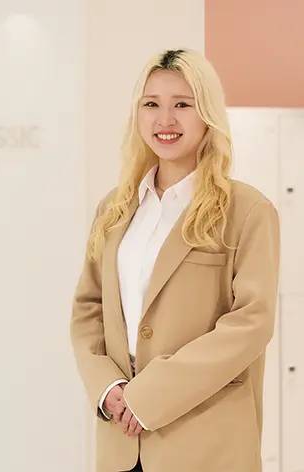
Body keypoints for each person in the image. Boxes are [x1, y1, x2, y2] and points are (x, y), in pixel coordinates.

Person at [70, 48, 280, 472]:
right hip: (120, 446)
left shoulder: (248, 210)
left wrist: (150, 396)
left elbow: (251, 323)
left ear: (207, 114)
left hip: (207, 445)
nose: (165, 120)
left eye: (182, 105)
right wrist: (106, 385)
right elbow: (88, 309)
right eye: (151, 104)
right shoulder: (114, 208)